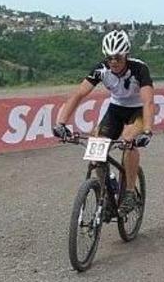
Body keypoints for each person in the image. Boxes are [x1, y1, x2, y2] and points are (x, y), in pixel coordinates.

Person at [53, 30, 154, 215]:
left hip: (137, 110)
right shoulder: (101, 69)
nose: (113, 62)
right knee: (96, 148)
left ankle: (130, 192)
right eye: (110, 58)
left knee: (128, 139)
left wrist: (147, 131)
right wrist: (60, 123)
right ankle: (107, 191)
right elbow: (78, 94)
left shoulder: (140, 69)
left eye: (118, 58)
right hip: (115, 109)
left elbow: (148, 102)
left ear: (126, 55)